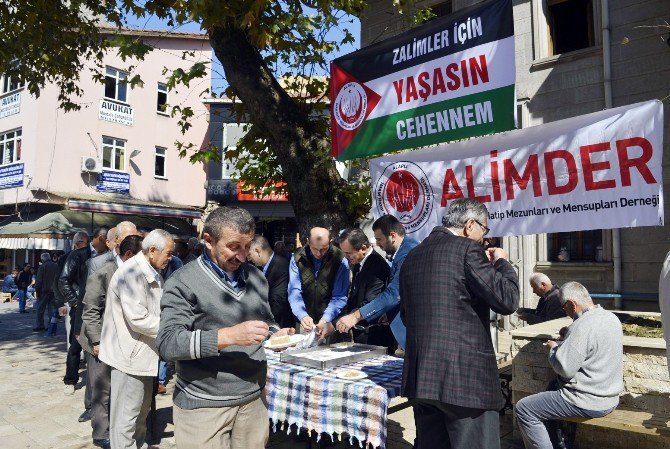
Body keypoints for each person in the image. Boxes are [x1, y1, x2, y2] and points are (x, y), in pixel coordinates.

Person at [157, 206, 294, 449]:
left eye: (247, 246)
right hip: (204, 405)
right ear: (208, 240)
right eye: (233, 247)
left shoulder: (256, 277)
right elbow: (169, 343)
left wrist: (275, 334)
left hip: (253, 398)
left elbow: (266, 321)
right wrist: (229, 336)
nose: (243, 256)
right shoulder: (182, 282)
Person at [400, 198, 519, 449]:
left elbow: (407, 316)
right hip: (465, 383)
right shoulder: (467, 249)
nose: (483, 239)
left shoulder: (412, 256)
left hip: (422, 380)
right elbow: (507, 300)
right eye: (484, 231)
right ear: (470, 225)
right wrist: (502, 263)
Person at [516, 282, 624, 449]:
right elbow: (593, 343)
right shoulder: (611, 318)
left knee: (524, 408)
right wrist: (569, 335)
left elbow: (564, 369)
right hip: (610, 397)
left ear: (571, 304)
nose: (565, 313)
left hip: (587, 400)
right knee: (551, 388)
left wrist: (553, 349)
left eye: (564, 309)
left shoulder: (581, 326)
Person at [99, 230, 174, 449]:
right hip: (129, 357)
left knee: (140, 417)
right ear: (152, 251)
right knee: (126, 419)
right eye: (168, 253)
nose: (170, 258)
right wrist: (172, 328)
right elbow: (139, 319)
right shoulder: (131, 273)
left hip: (143, 354)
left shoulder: (150, 269)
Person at [81, 235, 144, 449]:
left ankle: (117, 429)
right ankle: (101, 434)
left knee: (116, 389)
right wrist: (97, 341)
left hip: (120, 342)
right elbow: (90, 311)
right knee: (101, 390)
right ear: (128, 255)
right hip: (99, 341)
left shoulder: (132, 273)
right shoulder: (103, 273)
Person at [335, 215, 418, 349]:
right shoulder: (401, 253)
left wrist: (356, 316)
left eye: (379, 239)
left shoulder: (408, 253)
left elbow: (394, 294)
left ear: (392, 235)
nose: (377, 244)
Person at [326, 228, 393, 350]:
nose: (346, 257)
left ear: (363, 248)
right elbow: (354, 298)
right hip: (362, 334)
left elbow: (371, 302)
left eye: (349, 253)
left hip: (375, 337)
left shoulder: (377, 266)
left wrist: (338, 323)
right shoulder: (358, 263)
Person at [56, 230, 92, 422]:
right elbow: (61, 281)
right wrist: (72, 301)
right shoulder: (73, 257)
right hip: (78, 307)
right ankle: (70, 378)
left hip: (90, 307)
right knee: (74, 344)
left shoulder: (93, 256)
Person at [288, 227, 349, 338]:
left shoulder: (340, 259)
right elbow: (294, 291)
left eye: (324, 249)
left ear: (330, 243)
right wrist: (302, 315)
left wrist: (326, 319)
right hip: (304, 321)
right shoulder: (297, 258)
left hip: (332, 321)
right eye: (314, 248)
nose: (319, 253)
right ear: (308, 242)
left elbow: (339, 296)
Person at [248, 235, 293, 328]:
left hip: (280, 325)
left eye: (249, 254)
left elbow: (278, 300)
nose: (248, 258)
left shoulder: (282, 266)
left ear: (257, 251)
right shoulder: (260, 268)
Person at [34, 253, 59, 331]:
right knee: (51, 310)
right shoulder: (56, 266)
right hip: (54, 291)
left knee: (40, 309)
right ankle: (51, 326)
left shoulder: (42, 267)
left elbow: (39, 280)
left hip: (44, 291)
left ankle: (40, 325)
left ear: (42, 259)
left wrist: (37, 290)